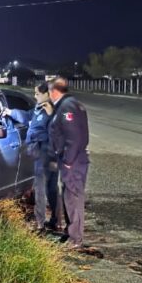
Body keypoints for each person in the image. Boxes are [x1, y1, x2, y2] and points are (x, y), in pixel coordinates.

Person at [48, 77, 90, 248]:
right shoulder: (72, 104)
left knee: (73, 198)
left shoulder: (67, 107)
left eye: (49, 91)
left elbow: (74, 137)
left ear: (54, 91)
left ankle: (75, 239)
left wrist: (67, 161)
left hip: (73, 161)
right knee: (69, 196)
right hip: (73, 159)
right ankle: (70, 232)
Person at [26, 82, 60, 232]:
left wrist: (52, 114)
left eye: (37, 94)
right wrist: (11, 112)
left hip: (46, 154)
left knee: (41, 188)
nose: (35, 96)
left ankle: (40, 224)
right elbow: (28, 117)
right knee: (51, 188)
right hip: (50, 155)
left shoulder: (52, 110)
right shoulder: (39, 108)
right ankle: (56, 221)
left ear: (46, 94)